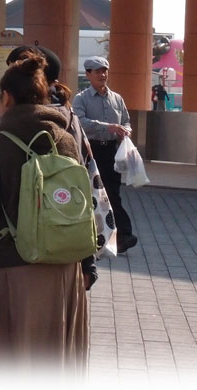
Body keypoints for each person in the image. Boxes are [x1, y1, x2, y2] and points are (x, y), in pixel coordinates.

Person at [0, 57, 96, 375]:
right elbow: (84, 204)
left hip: (16, 268)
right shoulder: (66, 139)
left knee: (14, 363)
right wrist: (88, 264)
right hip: (66, 268)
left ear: (7, 97)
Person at [73, 56, 138, 254]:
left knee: (112, 194)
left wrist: (126, 130)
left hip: (111, 151)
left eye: (104, 71)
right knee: (91, 194)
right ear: (88, 74)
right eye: (97, 71)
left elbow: (126, 120)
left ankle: (123, 236)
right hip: (90, 151)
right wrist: (108, 127)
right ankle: (89, 236)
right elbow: (79, 122)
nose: (102, 75)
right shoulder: (81, 98)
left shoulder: (117, 98)